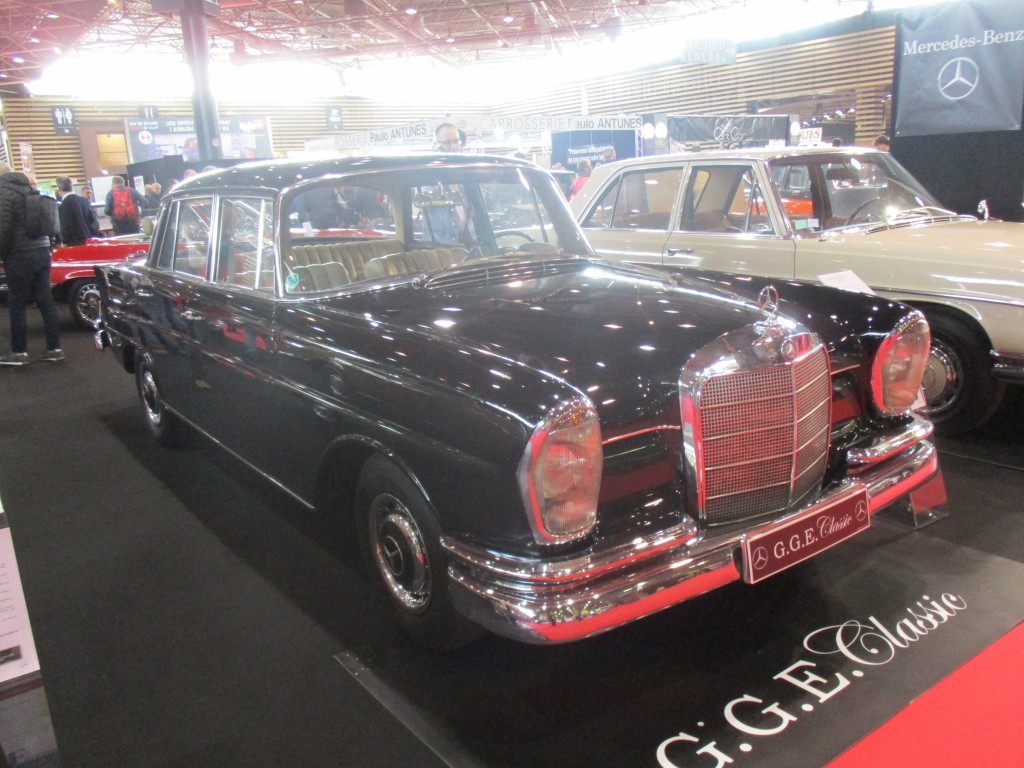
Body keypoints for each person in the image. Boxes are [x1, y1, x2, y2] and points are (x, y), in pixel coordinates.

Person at [0, 167, 63, 365]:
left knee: (17, 302)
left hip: (19, 253)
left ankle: (19, 352)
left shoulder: (4, 192)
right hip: (42, 250)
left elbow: (3, 228)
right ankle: (55, 349)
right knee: (46, 300)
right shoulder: (31, 189)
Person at [55, 176, 100, 246]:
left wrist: (64, 241)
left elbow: (65, 227)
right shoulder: (84, 201)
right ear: (71, 187)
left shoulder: (64, 204)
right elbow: (92, 221)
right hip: (88, 240)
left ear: (59, 190)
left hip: (74, 242)